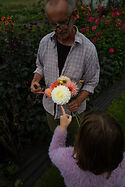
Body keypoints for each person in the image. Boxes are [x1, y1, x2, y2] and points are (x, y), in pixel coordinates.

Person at [30, 0, 100, 141]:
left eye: (62, 22)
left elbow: (92, 81)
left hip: (74, 113)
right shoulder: (45, 42)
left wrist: (78, 100)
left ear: (75, 15)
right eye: (53, 24)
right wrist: (35, 80)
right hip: (51, 109)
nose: (58, 28)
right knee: (57, 139)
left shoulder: (88, 49)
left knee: (78, 143)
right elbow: (40, 66)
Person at [49, 107, 125, 187]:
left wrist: (62, 128)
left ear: (81, 140)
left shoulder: (67, 161)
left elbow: (54, 150)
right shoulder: (123, 164)